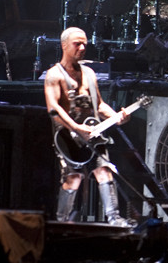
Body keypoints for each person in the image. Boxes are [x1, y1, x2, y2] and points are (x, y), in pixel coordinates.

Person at [44, 27, 131, 226]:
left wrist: (117, 117)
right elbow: (53, 109)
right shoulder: (54, 75)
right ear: (64, 45)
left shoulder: (89, 74)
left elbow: (98, 105)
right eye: (77, 44)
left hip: (93, 134)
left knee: (104, 172)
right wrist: (76, 127)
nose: (82, 48)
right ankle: (62, 221)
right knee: (73, 178)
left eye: (85, 44)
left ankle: (114, 218)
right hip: (68, 137)